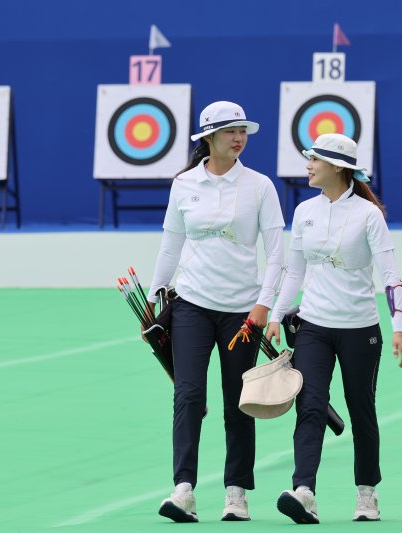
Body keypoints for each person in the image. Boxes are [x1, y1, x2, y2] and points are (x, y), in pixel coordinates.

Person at [144, 101, 285, 523]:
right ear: (208, 138)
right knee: (187, 394)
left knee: (237, 402)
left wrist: (265, 305)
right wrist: (155, 294)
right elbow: (171, 242)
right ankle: (183, 489)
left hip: (241, 311)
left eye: (242, 131)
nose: (239, 138)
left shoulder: (260, 185)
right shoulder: (184, 183)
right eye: (229, 132)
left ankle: (236, 492)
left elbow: (277, 253)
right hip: (190, 305)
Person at [265, 133, 402, 524]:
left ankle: (367, 493)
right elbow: (295, 270)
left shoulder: (368, 215)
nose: (308, 165)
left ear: (337, 167)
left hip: (360, 328)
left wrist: (400, 327)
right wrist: (277, 316)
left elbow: (391, 277)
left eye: (315, 159)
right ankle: (304, 491)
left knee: (362, 410)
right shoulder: (304, 211)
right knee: (309, 405)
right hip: (313, 325)